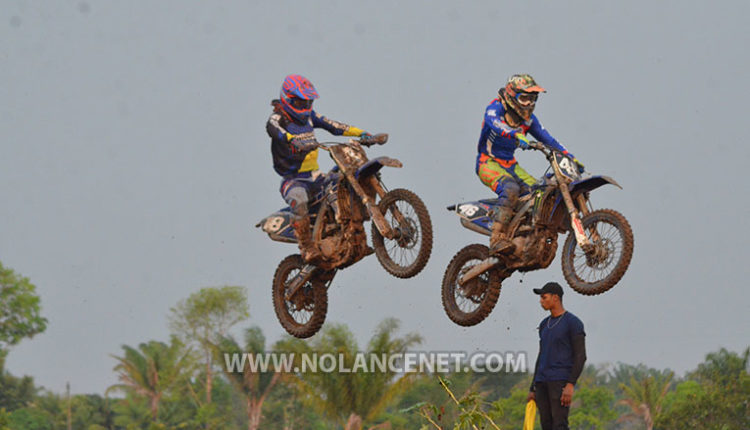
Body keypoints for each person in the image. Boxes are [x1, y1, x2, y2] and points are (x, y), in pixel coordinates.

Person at [266, 74, 371, 262]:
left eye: (307, 103)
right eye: (299, 103)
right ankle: (307, 247)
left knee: (345, 180)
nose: (304, 107)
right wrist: (292, 139)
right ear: (288, 99)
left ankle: (352, 231)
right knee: (298, 200)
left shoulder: (311, 117)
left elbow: (335, 126)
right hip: (293, 180)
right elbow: (274, 129)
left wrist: (362, 133)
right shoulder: (278, 117)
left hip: (315, 177)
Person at [476, 74, 584, 254]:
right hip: (488, 162)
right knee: (510, 189)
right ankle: (496, 238)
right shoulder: (495, 108)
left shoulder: (528, 120)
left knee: (540, 193)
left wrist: (569, 157)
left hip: (511, 165)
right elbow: (494, 123)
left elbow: (548, 139)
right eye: (524, 98)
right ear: (512, 96)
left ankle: (525, 234)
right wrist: (514, 134)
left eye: (533, 98)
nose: (529, 103)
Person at [527, 282, 586, 430]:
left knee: (559, 424)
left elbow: (581, 356)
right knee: (546, 425)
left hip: (559, 381)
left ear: (555, 298)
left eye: (544, 297)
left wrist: (570, 384)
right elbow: (541, 355)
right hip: (541, 382)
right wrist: (533, 387)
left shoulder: (572, 322)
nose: (541, 301)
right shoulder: (544, 324)